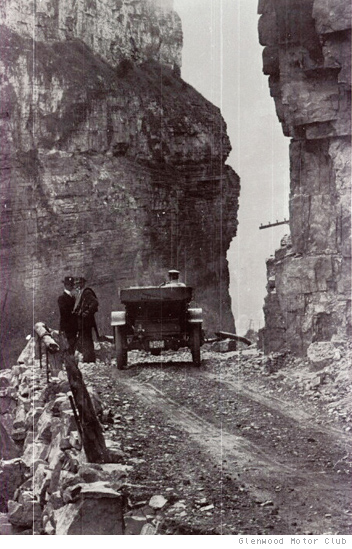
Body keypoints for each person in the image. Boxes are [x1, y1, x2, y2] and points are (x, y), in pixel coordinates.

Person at [73, 277, 99, 363]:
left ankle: (89, 359)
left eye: (79, 283)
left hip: (86, 321)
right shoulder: (80, 293)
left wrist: (87, 312)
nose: (77, 285)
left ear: (83, 283)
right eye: (76, 283)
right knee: (84, 338)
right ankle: (87, 358)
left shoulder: (87, 292)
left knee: (87, 339)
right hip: (82, 320)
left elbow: (95, 303)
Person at [58, 276, 78, 355]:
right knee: (68, 346)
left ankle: (71, 364)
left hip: (73, 326)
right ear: (65, 285)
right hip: (67, 326)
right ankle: (70, 365)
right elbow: (64, 313)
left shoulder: (73, 297)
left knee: (72, 346)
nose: (71, 287)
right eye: (69, 285)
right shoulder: (62, 298)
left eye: (72, 285)